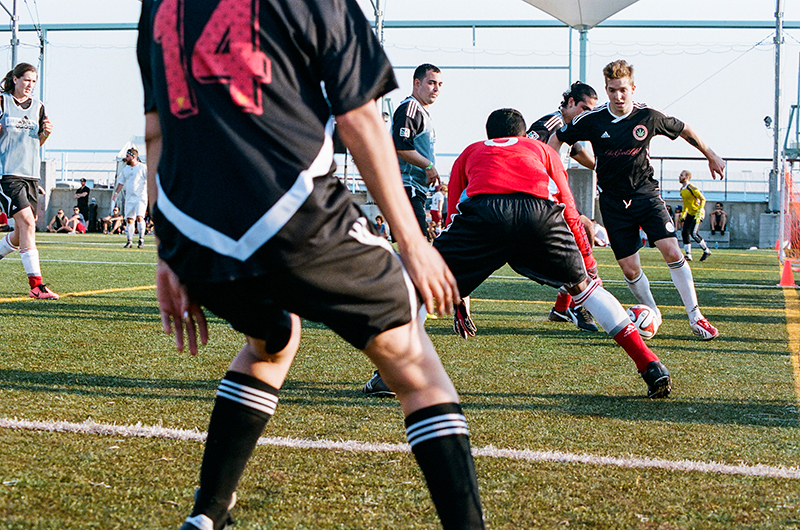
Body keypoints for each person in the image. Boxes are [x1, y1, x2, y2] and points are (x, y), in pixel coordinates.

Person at [138, 2, 484, 530]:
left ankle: (208, 515)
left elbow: (157, 130)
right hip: (292, 215)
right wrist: (413, 244)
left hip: (192, 232)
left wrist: (169, 246)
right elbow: (358, 117)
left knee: (272, 339)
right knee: (414, 364)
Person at [366, 109, 671, 399]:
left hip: (485, 214)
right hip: (538, 214)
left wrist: (454, 289)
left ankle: (390, 375)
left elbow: (452, 216)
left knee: (421, 286)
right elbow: (570, 209)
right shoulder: (542, 150)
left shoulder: (471, 151)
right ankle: (650, 365)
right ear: (525, 134)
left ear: (489, 135)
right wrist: (588, 266)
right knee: (586, 291)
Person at [550, 59, 724, 340]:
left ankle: (697, 317)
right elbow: (559, 137)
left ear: (632, 88)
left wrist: (711, 154)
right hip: (612, 202)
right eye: (611, 90)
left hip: (646, 196)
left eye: (622, 90)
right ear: (606, 90)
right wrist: (549, 168)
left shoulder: (649, 116)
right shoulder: (593, 120)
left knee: (672, 251)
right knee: (630, 269)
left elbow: (685, 130)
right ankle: (652, 314)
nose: (618, 96)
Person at [527, 82, 600, 332]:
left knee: (581, 241)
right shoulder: (551, 123)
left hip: (552, 200)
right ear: (570, 103)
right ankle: (579, 305)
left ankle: (562, 308)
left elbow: (580, 153)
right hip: (539, 200)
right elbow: (526, 149)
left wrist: (604, 168)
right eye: (584, 108)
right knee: (582, 238)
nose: (587, 115)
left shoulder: (570, 130)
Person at [0, 62, 58, 299]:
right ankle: (37, 285)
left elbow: (37, 142)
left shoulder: (39, 107)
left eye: (34, 82)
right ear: (15, 79)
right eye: (26, 80)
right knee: (26, 222)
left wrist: (46, 134)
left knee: (23, 231)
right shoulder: (3, 102)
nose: (30, 85)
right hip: (7, 174)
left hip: (31, 175)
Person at [393, 63, 443, 234]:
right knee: (417, 243)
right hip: (407, 186)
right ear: (417, 83)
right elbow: (402, 147)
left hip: (416, 189)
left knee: (412, 246)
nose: (436, 88)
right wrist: (428, 166)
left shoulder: (422, 112)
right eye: (431, 83)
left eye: (439, 84)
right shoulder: (410, 108)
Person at [112, 147, 148, 248]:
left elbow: (149, 180)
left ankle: (141, 239)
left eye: (127, 156)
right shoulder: (126, 169)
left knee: (140, 217)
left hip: (140, 197)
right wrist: (116, 193)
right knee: (129, 219)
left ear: (133, 157)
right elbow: (121, 183)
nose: (126, 158)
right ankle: (130, 240)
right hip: (129, 198)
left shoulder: (142, 167)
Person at [678, 170, 711, 261]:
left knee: (693, 233)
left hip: (697, 213)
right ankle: (688, 255)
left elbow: (702, 199)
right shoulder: (682, 190)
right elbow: (685, 203)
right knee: (684, 232)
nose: (679, 177)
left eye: (682, 175)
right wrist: (683, 214)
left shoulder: (691, 188)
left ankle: (706, 250)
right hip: (690, 213)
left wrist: (700, 210)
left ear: (687, 177)